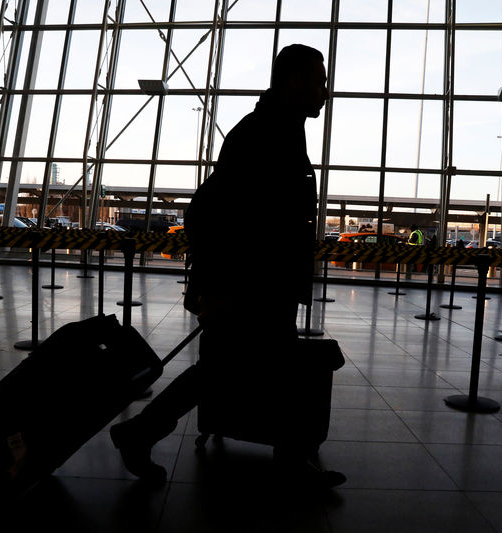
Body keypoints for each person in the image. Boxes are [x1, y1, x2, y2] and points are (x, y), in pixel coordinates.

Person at [109, 44, 345, 489]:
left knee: (231, 371)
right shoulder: (264, 133)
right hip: (250, 286)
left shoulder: (278, 129)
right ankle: (290, 461)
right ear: (294, 80)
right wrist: (216, 287)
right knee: (249, 370)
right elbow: (207, 213)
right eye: (319, 80)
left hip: (260, 285)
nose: (324, 91)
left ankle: (140, 431)